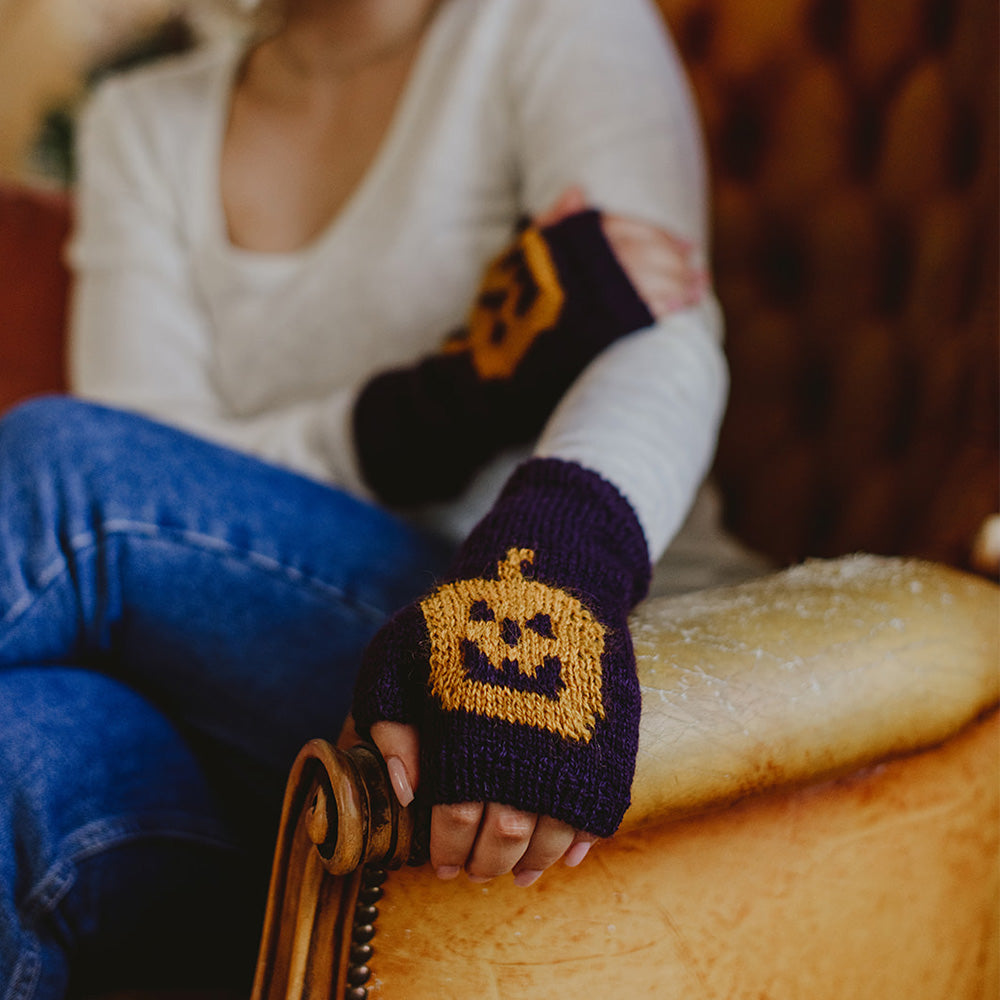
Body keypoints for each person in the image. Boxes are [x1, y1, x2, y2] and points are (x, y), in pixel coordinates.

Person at [0, 0, 754, 994]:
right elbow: (160, 467)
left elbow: (659, 334)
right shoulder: (144, 120)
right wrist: (441, 404)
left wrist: (553, 563)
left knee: (56, 467)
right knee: (22, 742)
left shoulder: (553, 24)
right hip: (255, 701)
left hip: (537, 635)